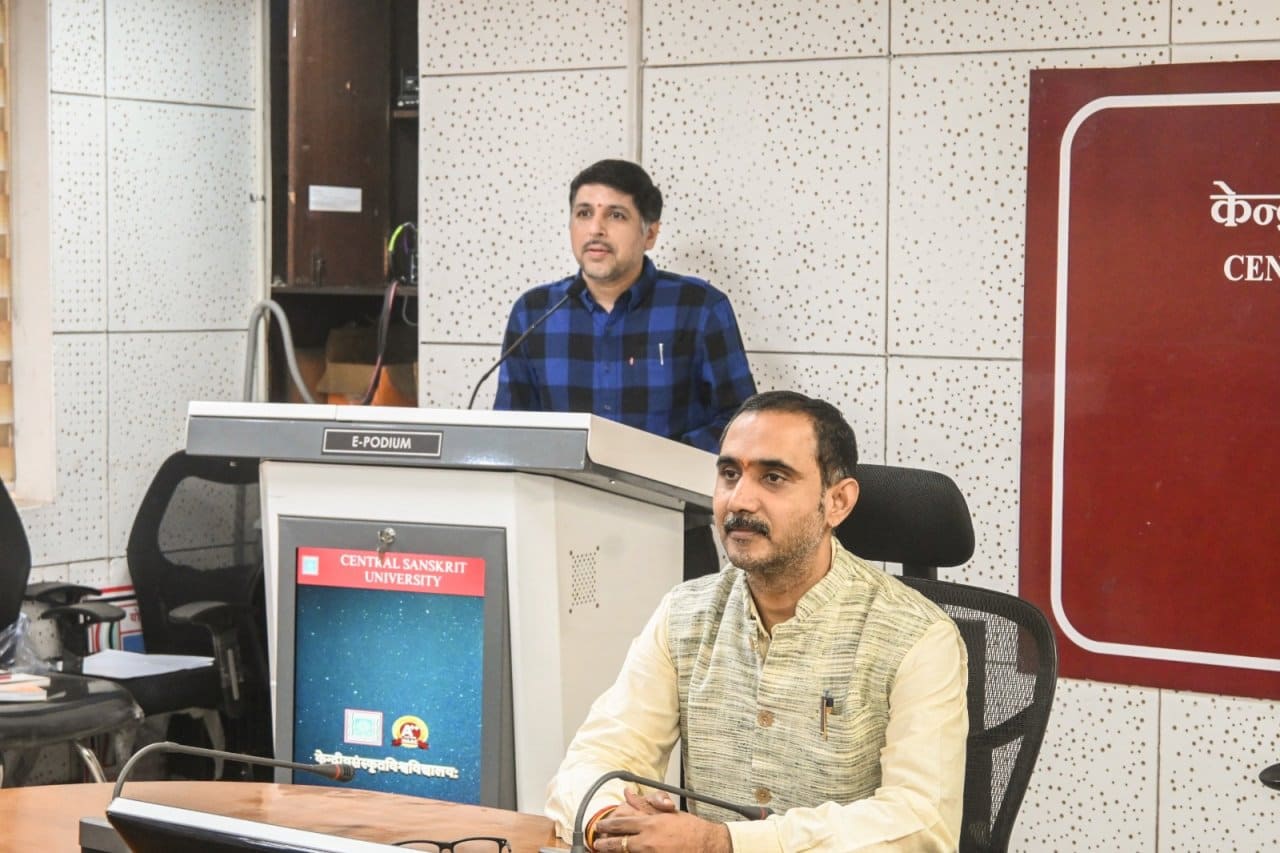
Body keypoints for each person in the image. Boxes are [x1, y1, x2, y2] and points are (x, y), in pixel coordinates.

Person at [545, 391, 969, 852]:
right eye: (729, 474)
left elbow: (921, 824)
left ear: (837, 502)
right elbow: (594, 761)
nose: (740, 499)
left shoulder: (919, 636)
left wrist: (723, 843)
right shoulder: (684, 614)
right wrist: (613, 821)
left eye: (773, 477)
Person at [494, 159, 756, 453]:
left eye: (616, 215)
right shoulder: (533, 312)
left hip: (666, 482)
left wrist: (664, 457)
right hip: (559, 483)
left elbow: (742, 423)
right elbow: (509, 431)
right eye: (584, 213)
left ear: (650, 234)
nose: (595, 229)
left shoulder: (699, 308)